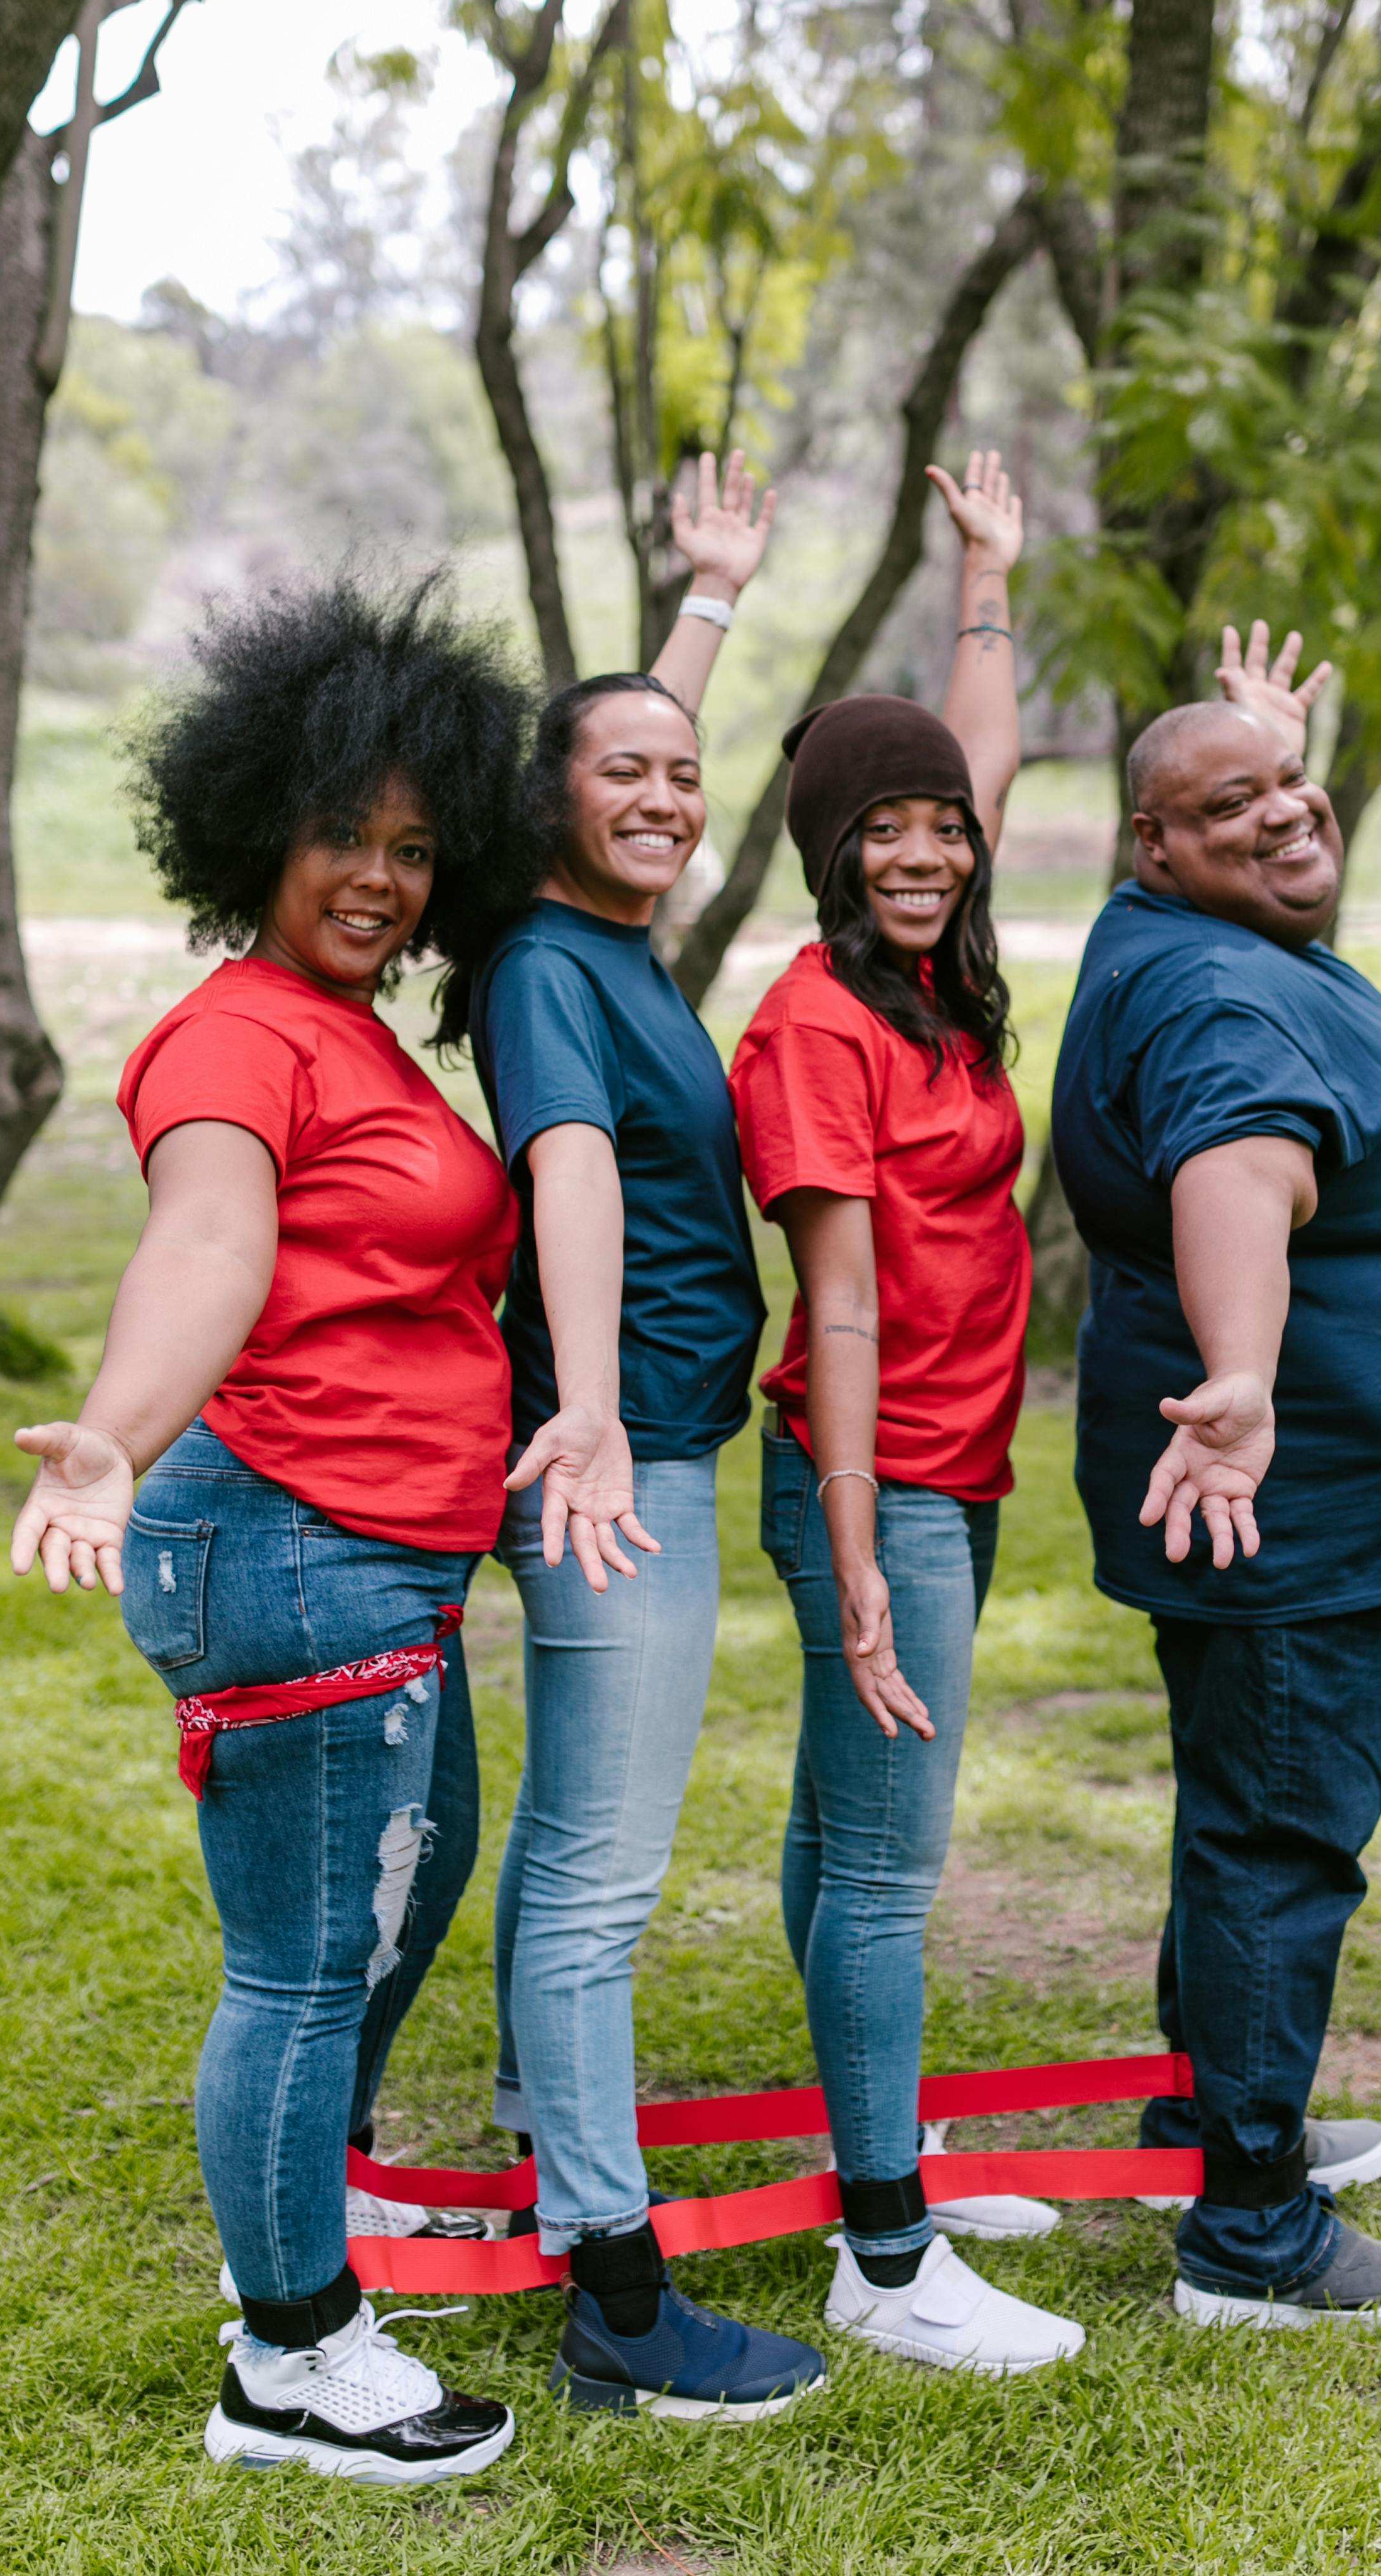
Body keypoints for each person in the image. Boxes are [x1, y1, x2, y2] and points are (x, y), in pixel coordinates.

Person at [8, 581, 530, 2483]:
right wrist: (115, 1440)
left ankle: (309, 2217)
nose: (380, 879)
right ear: (255, 830)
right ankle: (291, 2357)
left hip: (381, 1548)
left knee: (401, 1890)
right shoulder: (237, 1041)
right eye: (342, 836)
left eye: (414, 846)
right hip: (287, 1536)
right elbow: (210, 1241)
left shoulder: (353, 1032)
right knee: (309, 1955)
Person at [1048, 629, 1381, 2330]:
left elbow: (1241, 817)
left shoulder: (1175, 923)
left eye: (1289, 789)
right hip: (1276, 1502)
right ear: (1149, 846)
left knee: (1239, 1813)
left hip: (1278, 1500)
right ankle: (1250, 2235)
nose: (1281, 813)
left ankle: (1213, 2114)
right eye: (1225, 805)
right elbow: (1238, 1175)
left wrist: (1256, 754)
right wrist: (1241, 1381)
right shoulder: (1217, 995)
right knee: (1278, 1837)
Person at [469, 452, 827, 2421]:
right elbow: (574, 1171)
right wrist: (595, 1411)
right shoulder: (545, 966)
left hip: (638, 1446)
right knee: (601, 1874)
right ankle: (616, 2294)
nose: (670, 798)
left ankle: (550, 2149)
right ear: (546, 802)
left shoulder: (606, 944)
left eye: (689, 779)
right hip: (621, 1469)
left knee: (569, 1855)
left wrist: (705, 595)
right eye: (629, 778)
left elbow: (630, 745)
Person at [728, 453, 1086, 2378]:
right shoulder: (816, 1027)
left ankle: (878, 2148)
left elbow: (989, 755)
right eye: (885, 834)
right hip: (879, 1478)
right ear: (829, 852)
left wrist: (984, 576)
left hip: (956, 1465)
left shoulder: (940, 977)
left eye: (939, 827)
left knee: (835, 1833)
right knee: (884, 1864)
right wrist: (863, 1559)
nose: (928, 849)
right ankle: (885, 2252)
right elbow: (837, 1305)